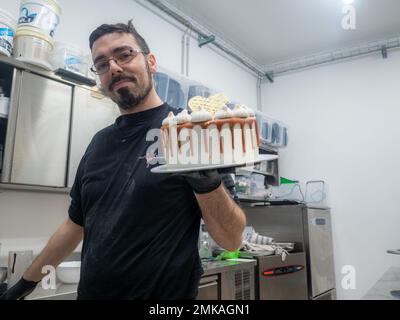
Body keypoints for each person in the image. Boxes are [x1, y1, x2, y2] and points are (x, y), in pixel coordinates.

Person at [0, 20, 246, 300]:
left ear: (151, 62)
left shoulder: (190, 133)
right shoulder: (98, 144)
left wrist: (209, 184)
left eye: (125, 54)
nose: (114, 67)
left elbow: (231, 240)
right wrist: (25, 284)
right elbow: (73, 226)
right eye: (102, 64)